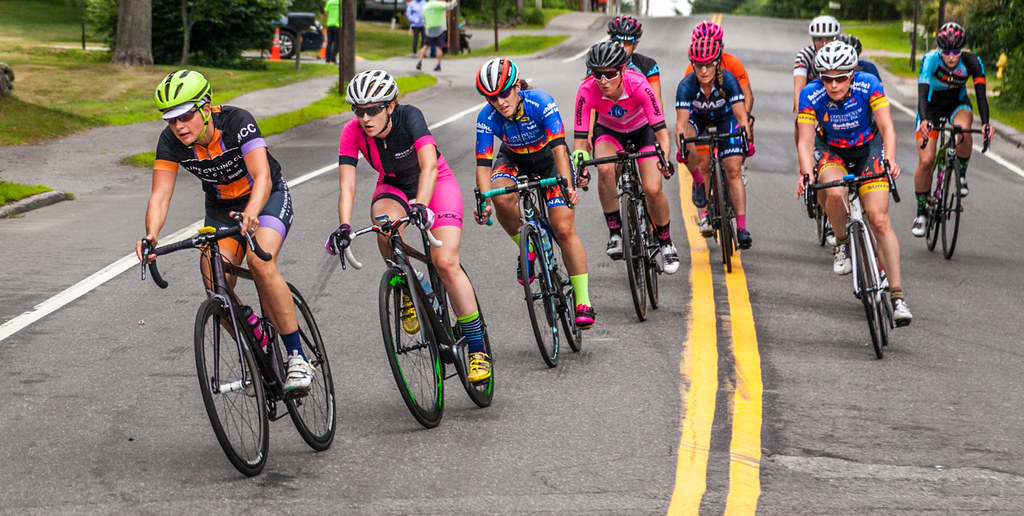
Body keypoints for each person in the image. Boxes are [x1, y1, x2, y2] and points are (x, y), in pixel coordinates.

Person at [137, 70, 315, 391]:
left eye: (186, 115)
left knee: (260, 262)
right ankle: (255, 338)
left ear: (206, 108)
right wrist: (151, 235)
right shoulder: (170, 142)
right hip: (221, 209)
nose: (178, 126)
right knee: (215, 285)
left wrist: (251, 213)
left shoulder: (236, 122)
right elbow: (160, 194)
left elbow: (262, 175)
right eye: (170, 119)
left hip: (265, 197)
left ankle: (297, 357)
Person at [326, 70, 491, 382]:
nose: (365, 118)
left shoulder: (410, 117)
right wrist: (344, 226)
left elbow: (429, 164)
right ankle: (414, 285)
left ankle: (478, 348)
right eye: (358, 111)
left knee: (445, 261)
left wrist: (421, 206)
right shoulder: (352, 133)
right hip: (393, 185)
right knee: (384, 227)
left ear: (390, 106)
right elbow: (346, 187)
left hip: (434, 182)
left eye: (373, 109)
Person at [795, 41, 912, 326]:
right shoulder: (811, 94)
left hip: (868, 148)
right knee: (834, 194)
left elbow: (887, 128)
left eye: (841, 78)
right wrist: (806, 172)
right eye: (827, 78)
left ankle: (897, 297)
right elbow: (806, 139)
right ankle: (843, 244)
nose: (833, 85)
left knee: (879, 219)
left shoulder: (868, 84)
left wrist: (891, 159)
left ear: (852, 74)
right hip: (831, 149)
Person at [472, 58, 595, 328]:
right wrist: (483, 201)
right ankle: (526, 244)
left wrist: (567, 185)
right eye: (492, 98)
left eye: (505, 93)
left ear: (517, 86)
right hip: (513, 159)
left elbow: (560, 149)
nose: (500, 102)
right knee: (499, 194)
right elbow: (483, 165)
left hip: (550, 158)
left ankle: (583, 301)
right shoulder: (486, 117)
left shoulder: (540, 101)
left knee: (562, 228)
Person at [573, 41, 679, 274]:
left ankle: (665, 242)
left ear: (622, 70)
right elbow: (581, 140)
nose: (602, 81)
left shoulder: (639, 84)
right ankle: (615, 232)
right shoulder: (586, 90)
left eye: (609, 74)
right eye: (597, 74)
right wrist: (579, 165)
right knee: (605, 170)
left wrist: (664, 158)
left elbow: (661, 131)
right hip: (610, 132)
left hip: (643, 131)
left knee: (652, 189)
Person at [910, 22, 993, 237]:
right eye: (946, 52)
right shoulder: (930, 60)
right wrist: (925, 120)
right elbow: (922, 94)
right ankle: (921, 213)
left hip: (957, 104)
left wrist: (986, 123)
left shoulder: (973, 62)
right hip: (931, 106)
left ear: (962, 49)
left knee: (964, 129)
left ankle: (961, 175)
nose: (951, 57)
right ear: (940, 50)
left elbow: (981, 95)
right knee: (926, 161)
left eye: (956, 51)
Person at [676, 37, 754, 249]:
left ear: (717, 62)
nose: (703, 71)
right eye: (699, 65)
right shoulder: (686, 86)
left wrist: (746, 138)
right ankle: (699, 181)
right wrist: (683, 148)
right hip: (698, 117)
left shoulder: (728, 80)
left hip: (724, 118)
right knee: (687, 137)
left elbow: (740, 116)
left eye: (709, 64)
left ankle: (741, 227)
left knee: (733, 170)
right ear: (693, 65)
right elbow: (681, 125)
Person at [683, 20, 756, 204]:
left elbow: (748, 95)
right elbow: (688, 103)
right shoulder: (692, 69)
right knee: (703, 164)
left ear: (721, 46)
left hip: (728, 113)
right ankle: (705, 213)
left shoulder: (732, 63)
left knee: (748, 121)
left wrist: (744, 117)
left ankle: (739, 163)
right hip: (703, 114)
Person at [793, 15, 842, 142]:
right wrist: (804, 117)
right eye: (819, 39)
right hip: (812, 99)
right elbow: (799, 89)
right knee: (799, 120)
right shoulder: (805, 55)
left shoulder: (842, 55)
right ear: (813, 40)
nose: (824, 44)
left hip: (836, 98)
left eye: (829, 39)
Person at [607, 16, 662, 109]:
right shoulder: (597, 63)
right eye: (616, 41)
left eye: (627, 42)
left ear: (635, 45)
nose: (621, 46)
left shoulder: (648, 65)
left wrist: (659, 123)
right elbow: (589, 103)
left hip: (638, 118)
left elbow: (656, 104)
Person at [417, 0, 457, 72]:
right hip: (439, 28)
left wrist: (426, 26)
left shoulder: (426, 6)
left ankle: (420, 61)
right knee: (438, 47)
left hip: (429, 28)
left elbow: (423, 18)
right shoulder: (439, 4)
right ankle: (438, 64)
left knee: (425, 46)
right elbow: (450, 6)